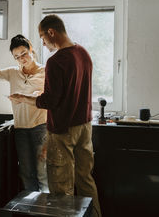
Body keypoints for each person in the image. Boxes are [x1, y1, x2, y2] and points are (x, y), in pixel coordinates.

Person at [9, 15, 102, 217]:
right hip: (85, 127)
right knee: (86, 181)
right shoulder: (83, 53)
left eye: (42, 37)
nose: (42, 42)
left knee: (61, 189)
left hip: (63, 132)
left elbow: (50, 101)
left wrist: (24, 98)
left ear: (51, 32)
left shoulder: (56, 61)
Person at [0, 34, 49, 192]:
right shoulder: (12, 72)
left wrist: (32, 96)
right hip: (21, 129)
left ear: (31, 49)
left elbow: (51, 99)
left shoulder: (46, 71)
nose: (22, 59)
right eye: (17, 57)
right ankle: (31, 209)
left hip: (41, 128)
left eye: (24, 53)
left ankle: (45, 209)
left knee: (43, 173)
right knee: (26, 173)